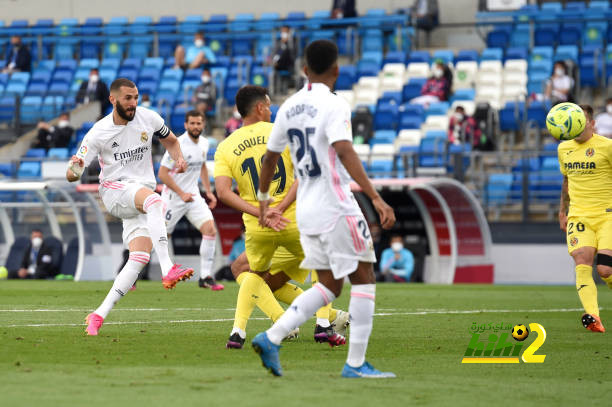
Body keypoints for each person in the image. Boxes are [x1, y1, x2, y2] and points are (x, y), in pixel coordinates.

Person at [253, 40, 397, 378]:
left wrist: (263, 203)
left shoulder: (289, 106)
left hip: (306, 210)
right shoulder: (334, 104)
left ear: (304, 70)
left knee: (331, 285)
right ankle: (356, 364)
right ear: (336, 70)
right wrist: (375, 197)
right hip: (336, 205)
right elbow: (344, 150)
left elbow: (271, 158)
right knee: (364, 278)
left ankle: (271, 336)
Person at [215, 85, 347, 349]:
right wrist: (282, 206)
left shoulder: (225, 145)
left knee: (252, 273)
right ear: (261, 107)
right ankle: (324, 324)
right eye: (268, 104)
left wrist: (261, 212)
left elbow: (222, 193)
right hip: (293, 220)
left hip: (259, 227)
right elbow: (304, 175)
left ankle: (240, 332)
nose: (272, 108)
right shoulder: (284, 133)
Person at [66, 78, 194, 336]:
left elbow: (171, 141)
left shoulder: (149, 118)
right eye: (128, 98)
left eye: (136, 97)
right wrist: (74, 168)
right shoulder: (99, 131)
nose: (133, 103)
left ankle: (98, 315)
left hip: (138, 193)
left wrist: (178, 157)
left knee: (139, 257)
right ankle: (168, 268)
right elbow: (72, 174)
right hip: (114, 191)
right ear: (113, 100)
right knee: (155, 200)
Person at [557, 104, 612, 334]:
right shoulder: (563, 148)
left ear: (592, 124)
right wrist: (563, 210)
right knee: (582, 260)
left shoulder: (607, 147)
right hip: (579, 215)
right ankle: (593, 316)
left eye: (581, 121)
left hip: (607, 215)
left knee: (605, 271)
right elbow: (566, 181)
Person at [158, 110, 224, 291]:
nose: (196, 126)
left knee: (210, 229)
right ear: (186, 125)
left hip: (193, 196)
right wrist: (181, 193)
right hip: (173, 198)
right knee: (159, 236)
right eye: (192, 123)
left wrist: (208, 192)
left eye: (199, 123)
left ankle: (205, 277)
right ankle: (135, 274)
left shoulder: (204, 143)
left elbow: (202, 165)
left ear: (203, 125)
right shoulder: (176, 144)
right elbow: (162, 174)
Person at [272, 26, 296, 95]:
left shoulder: (293, 42)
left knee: (285, 53)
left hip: (289, 63)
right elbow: (275, 53)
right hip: (278, 64)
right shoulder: (278, 42)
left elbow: (293, 54)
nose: (284, 33)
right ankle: (276, 91)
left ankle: (285, 89)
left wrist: (287, 43)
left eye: (285, 32)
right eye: (282, 32)